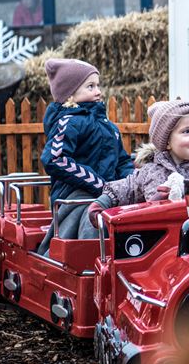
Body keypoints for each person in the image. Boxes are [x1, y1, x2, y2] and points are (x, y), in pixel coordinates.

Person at [82, 100, 189, 238]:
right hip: (155, 242)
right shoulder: (151, 170)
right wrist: (103, 202)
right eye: (187, 131)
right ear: (166, 141)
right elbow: (125, 188)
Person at [37, 58, 133, 252]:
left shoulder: (109, 127)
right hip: (76, 196)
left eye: (98, 85)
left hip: (108, 194)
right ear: (70, 94)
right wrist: (98, 184)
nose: (98, 91)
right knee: (92, 220)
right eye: (90, 86)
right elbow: (55, 159)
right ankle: (87, 260)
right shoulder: (69, 122)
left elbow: (122, 160)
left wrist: (131, 183)